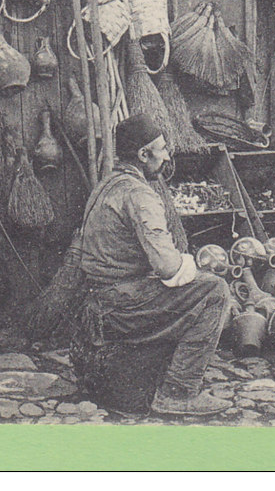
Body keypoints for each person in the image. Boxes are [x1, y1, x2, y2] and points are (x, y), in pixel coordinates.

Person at [79, 114, 233, 416]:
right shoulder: (139, 194)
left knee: (194, 291)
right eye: (161, 150)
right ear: (143, 155)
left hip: (101, 301)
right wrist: (188, 263)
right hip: (122, 305)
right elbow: (168, 268)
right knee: (215, 290)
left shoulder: (106, 184)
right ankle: (178, 392)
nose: (166, 157)